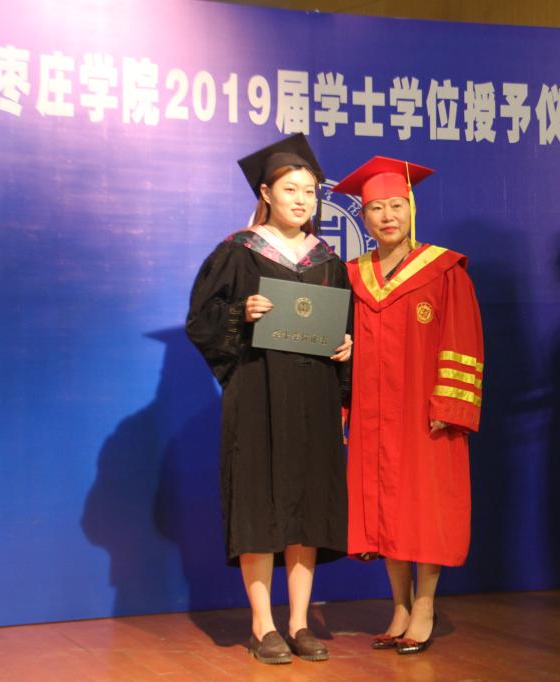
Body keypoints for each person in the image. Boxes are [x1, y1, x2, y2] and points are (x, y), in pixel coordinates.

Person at [185, 134, 353, 664]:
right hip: (258, 393)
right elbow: (201, 322)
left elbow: (344, 325)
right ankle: (263, 625)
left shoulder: (328, 260)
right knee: (259, 502)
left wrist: (348, 347)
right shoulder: (239, 251)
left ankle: (300, 622)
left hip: (314, 395)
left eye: (310, 191)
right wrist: (243, 313)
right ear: (266, 193)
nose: (302, 200)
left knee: (307, 504)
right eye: (290, 190)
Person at [332, 156, 484, 655]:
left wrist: (450, 404)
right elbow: (341, 341)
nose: (387, 216)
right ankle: (398, 606)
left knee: (425, 507)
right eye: (376, 209)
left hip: (425, 412)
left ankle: (424, 605)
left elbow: (463, 341)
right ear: (364, 217)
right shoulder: (353, 275)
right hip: (373, 413)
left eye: (396, 205)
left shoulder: (444, 270)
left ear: (411, 209)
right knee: (386, 508)